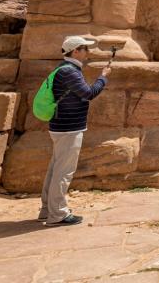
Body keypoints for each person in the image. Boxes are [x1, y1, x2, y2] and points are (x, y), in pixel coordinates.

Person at [38, 36, 110, 226]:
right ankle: (58, 214)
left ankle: (47, 210)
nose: (88, 52)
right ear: (75, 51)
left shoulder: (66, 69)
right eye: (85, 49)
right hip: (68, 128)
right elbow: (88, 93)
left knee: (55, 169)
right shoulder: (69, 72)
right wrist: (103, 78)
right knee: (63, 172)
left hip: (61, 126)